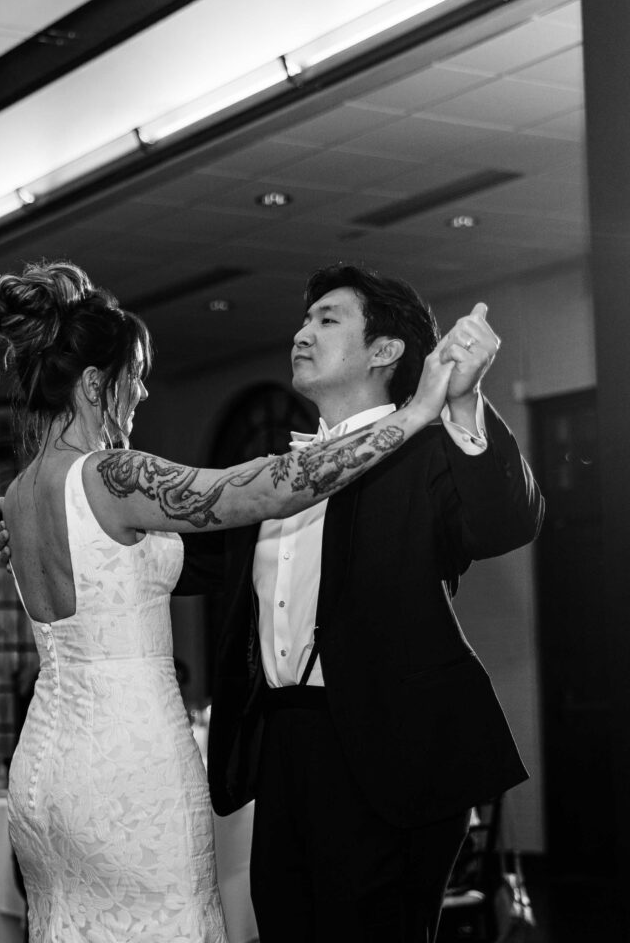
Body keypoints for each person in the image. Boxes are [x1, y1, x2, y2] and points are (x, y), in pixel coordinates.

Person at [0, 260, 456, 943]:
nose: (142, 390)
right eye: (134, 374)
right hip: (130, 760)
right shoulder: (114, 476)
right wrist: (416, 413)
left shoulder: (19, 495)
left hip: (46, 768)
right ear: (95, 386)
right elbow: (271, 486)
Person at [173, 264, 545, 943]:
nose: (301, 333)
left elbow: (505, 525)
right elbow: (177, 563)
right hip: (283, 747)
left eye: (326, 319)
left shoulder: (427, 451)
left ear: (385, 350)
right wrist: (77, 528)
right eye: (304, 319)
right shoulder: (275, 474)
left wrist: (465, 403)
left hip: (391, 751)